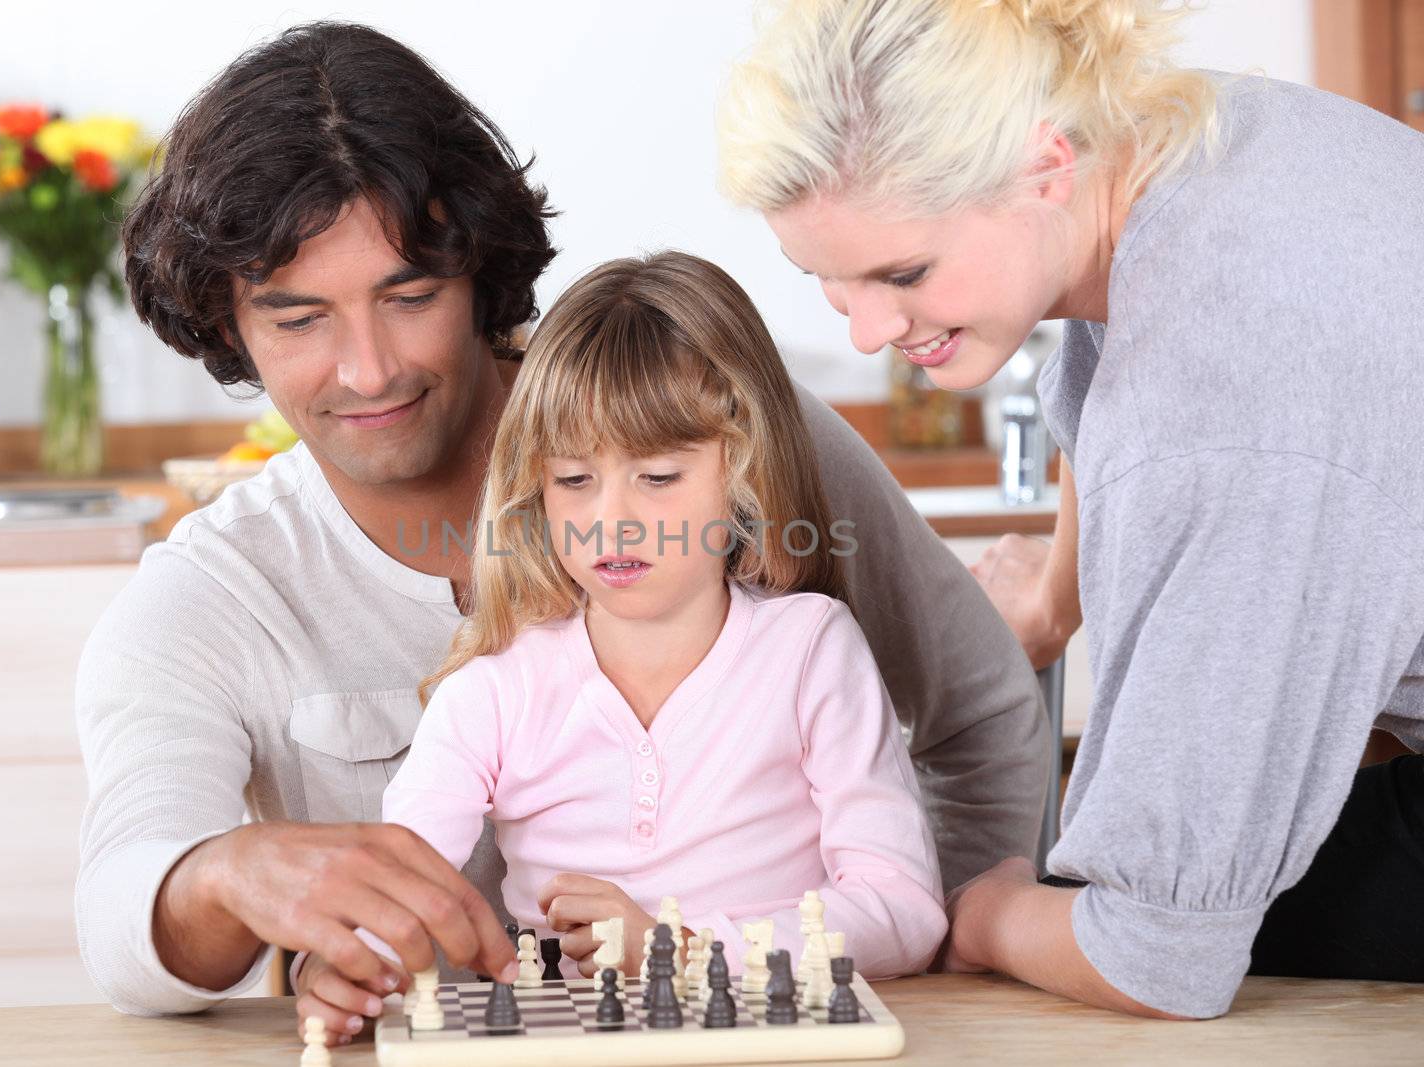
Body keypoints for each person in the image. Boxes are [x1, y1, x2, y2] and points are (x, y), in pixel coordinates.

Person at [79, 19, 1050, 1041]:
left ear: (477, 276)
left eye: (409, 295)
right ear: (227, 326)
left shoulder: (719, 422)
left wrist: (924, 984)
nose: (367, 368)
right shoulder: (211, 593)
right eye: (297, 318)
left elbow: (979, 713)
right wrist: (222, 873)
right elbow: (121, 915)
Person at [715, 0, 1424, 1021]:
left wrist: (988, 910)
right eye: (827, 281)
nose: (870, 329)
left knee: (1149, 895)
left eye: (903, 272)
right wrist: (1053, 599)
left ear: (1043, 166)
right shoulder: (1186, 139)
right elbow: (1115, 356)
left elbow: (1157, 956)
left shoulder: (1215, 415)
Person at [290, 252, 946, 1028]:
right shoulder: (496, 686)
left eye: (659, 477)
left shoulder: (811, 651)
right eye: (573, 480)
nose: (613, 520)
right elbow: (397, 880)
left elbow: (904, 910)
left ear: (741, 467)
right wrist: (342, 964)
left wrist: (680, 949)